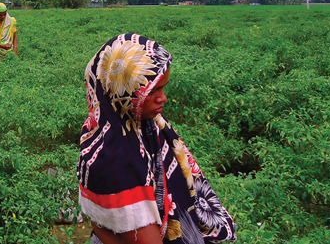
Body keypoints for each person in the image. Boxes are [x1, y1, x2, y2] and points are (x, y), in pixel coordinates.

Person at [77, 34, 236, 244]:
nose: (163, 98)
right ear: (125, 90)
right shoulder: (117, 158)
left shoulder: (143, 125)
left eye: (163, 87)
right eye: (154, 90)